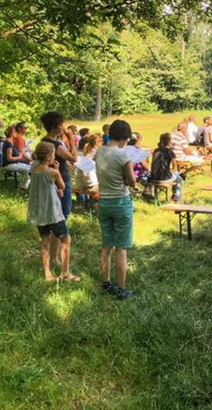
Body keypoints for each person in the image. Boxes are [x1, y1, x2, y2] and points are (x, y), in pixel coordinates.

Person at [94, 120, 148, 300]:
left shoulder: (99, 151)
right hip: (120, 202)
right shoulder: (123, 156)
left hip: (104, 202)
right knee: (121, 248)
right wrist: (132, 181)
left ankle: (106, 282)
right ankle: (122, 288)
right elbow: (131, 181)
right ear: (125, 138)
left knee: (106, 245)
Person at [27, 141, 77, 282]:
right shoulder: (53, 172)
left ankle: (47, 274)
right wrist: (58, 169)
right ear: (50, 157)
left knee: (45, 243)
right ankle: (65, 273)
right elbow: (62, 186)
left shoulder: (33, 168)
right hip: (53, 213)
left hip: (40, 213)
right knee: (66, 240)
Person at [40, 111, 77, 220]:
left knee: (52, 208)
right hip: (61, 178)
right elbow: (74, 158)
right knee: (64, 210)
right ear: (53, 128)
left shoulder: (43, 140)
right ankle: (62, 232)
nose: (63, 128)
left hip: (49, 177)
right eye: (61, 125)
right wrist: (70, 139)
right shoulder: (56, 145)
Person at [72, 134, 101, 209]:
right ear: (97, 142)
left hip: (80, 184)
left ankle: (85, 204)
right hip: (91, 184)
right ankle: (94, 208)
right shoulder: (97, 153)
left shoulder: (82, 155)